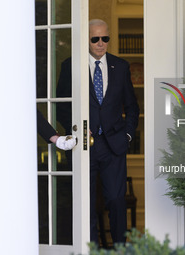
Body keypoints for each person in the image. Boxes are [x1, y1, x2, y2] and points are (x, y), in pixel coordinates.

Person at [56, 19, 139, 245]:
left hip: (114, 144)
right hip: (84, 143)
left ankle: (121, 248)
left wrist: (128, 135)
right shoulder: (71, 66)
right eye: (95, 39)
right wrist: (74, 131)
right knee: (87, 202)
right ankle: (90, 248)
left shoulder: (121, 67)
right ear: (87, 40)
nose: (101, 43)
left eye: (105, 38)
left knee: (115, 199)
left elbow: (132, 107)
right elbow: (62, 106)